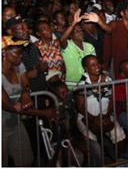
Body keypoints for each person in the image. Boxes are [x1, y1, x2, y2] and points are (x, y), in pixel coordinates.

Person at [2, 35, 58, 166]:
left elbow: (25, 82)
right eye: (17, 52)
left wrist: (26, 92)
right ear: (3, 52)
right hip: (2, 124)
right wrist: (44, 113)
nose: (20, 56)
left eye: (21, 53)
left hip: (14, 122)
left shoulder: (18, 66)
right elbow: (9, 106)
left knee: (25, 158)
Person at [75, 55, 126, 167]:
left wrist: (106, 116)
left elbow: (112, 100)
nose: (97, 67)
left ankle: (121, 162)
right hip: (87, 117)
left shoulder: (107, 80)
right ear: (86, 69)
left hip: (106, 115)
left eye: (97, 63)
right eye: (92, 65)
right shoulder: (82, 85)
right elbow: (80, 107)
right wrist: (93, 119)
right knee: (92, 142)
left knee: (119, 134)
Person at [85, 1, 128, 79]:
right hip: (120, 63)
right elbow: (109, 29)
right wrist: (99, 21)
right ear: (122, 14)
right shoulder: (116, 24)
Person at [60, 9, 96, 88]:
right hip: (72, 85)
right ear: (70, 35)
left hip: (88, 84)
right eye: (76, 31)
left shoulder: (89, 46)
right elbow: (62, 39)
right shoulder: (68, 46)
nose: (80, 32)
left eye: (81, 31)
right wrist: (74, 22)